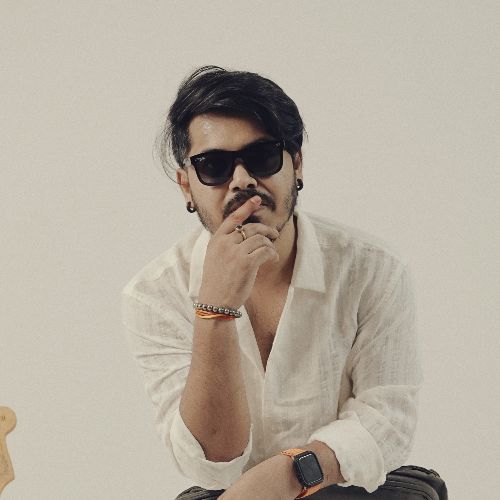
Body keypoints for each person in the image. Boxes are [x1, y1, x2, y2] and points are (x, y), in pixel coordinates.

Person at [121, 65, 423, 499]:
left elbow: (388, 422)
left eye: (263, 156)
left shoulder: (373, 269)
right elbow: (211, 460)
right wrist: (216, 309)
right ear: (187, 186)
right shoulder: (154, 294)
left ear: (296, 165)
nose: (242, 181)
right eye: (214, 166)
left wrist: (289, 474)